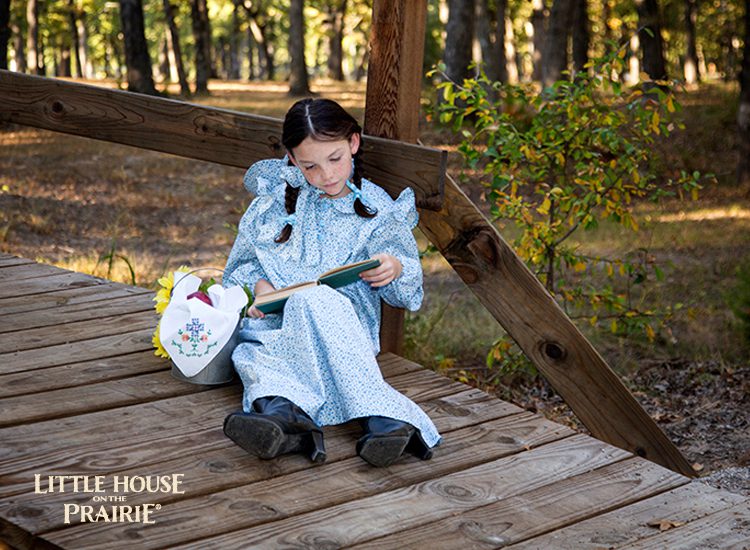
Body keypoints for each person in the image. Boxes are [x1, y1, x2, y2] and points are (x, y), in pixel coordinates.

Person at [221, 98, 441, 468]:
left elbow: (406, 291)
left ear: (353, 143)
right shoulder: (275, 201)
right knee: (256, 352)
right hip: (278, 318)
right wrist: (260, 289)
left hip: (342, 326)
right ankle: (281, 418)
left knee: (315, 301)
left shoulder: (374, 207)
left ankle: (383, 419)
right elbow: (241, 267)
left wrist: (393, 267)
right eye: (310, 165)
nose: (325, 174)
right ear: (291, 158)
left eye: (335, 159)